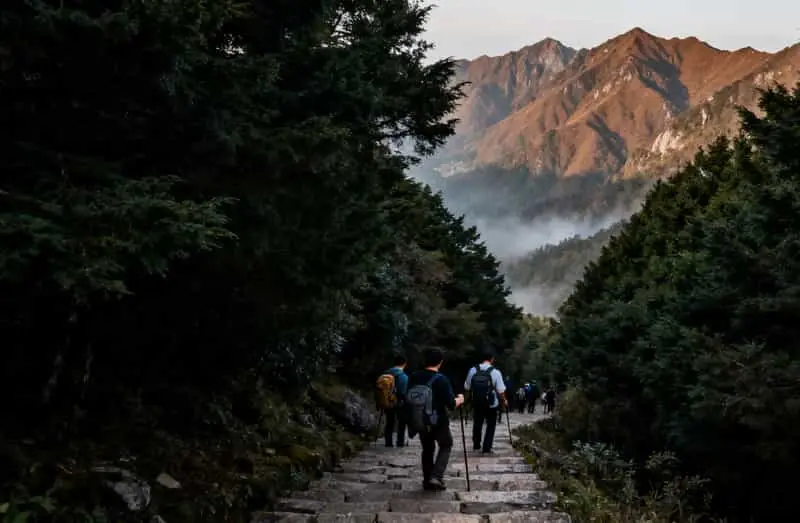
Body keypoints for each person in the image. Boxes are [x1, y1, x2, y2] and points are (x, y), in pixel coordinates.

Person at [407, 347, 464, 491]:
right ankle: (436, 476)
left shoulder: (414, 376)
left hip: (419, 419)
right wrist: (460, 399)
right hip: (438, 421)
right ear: (440, 362)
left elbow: (407, 397)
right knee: (446, 445)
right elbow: (451, 404)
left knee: (427, 449)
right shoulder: (442, 379)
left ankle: (427, 480)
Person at [464, 350, 507, 454]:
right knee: (491, 424)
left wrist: (466, 402)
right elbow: (501, 390)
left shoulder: (473, 370)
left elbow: (467, 387)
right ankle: (486, 448)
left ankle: (476, 445)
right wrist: (504, 401)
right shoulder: (496, 372)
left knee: (477, 423)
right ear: (492, 359)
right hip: (491, 403)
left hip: (477, 401)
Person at [375, 354, 409, 447]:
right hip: (398, 402)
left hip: (387, 401)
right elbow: (402, 392)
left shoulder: (385, 373)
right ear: (404, 364)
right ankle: (400, 442)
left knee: (389, 421)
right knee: (401, 422)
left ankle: (388, 442)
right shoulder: (403, 376)